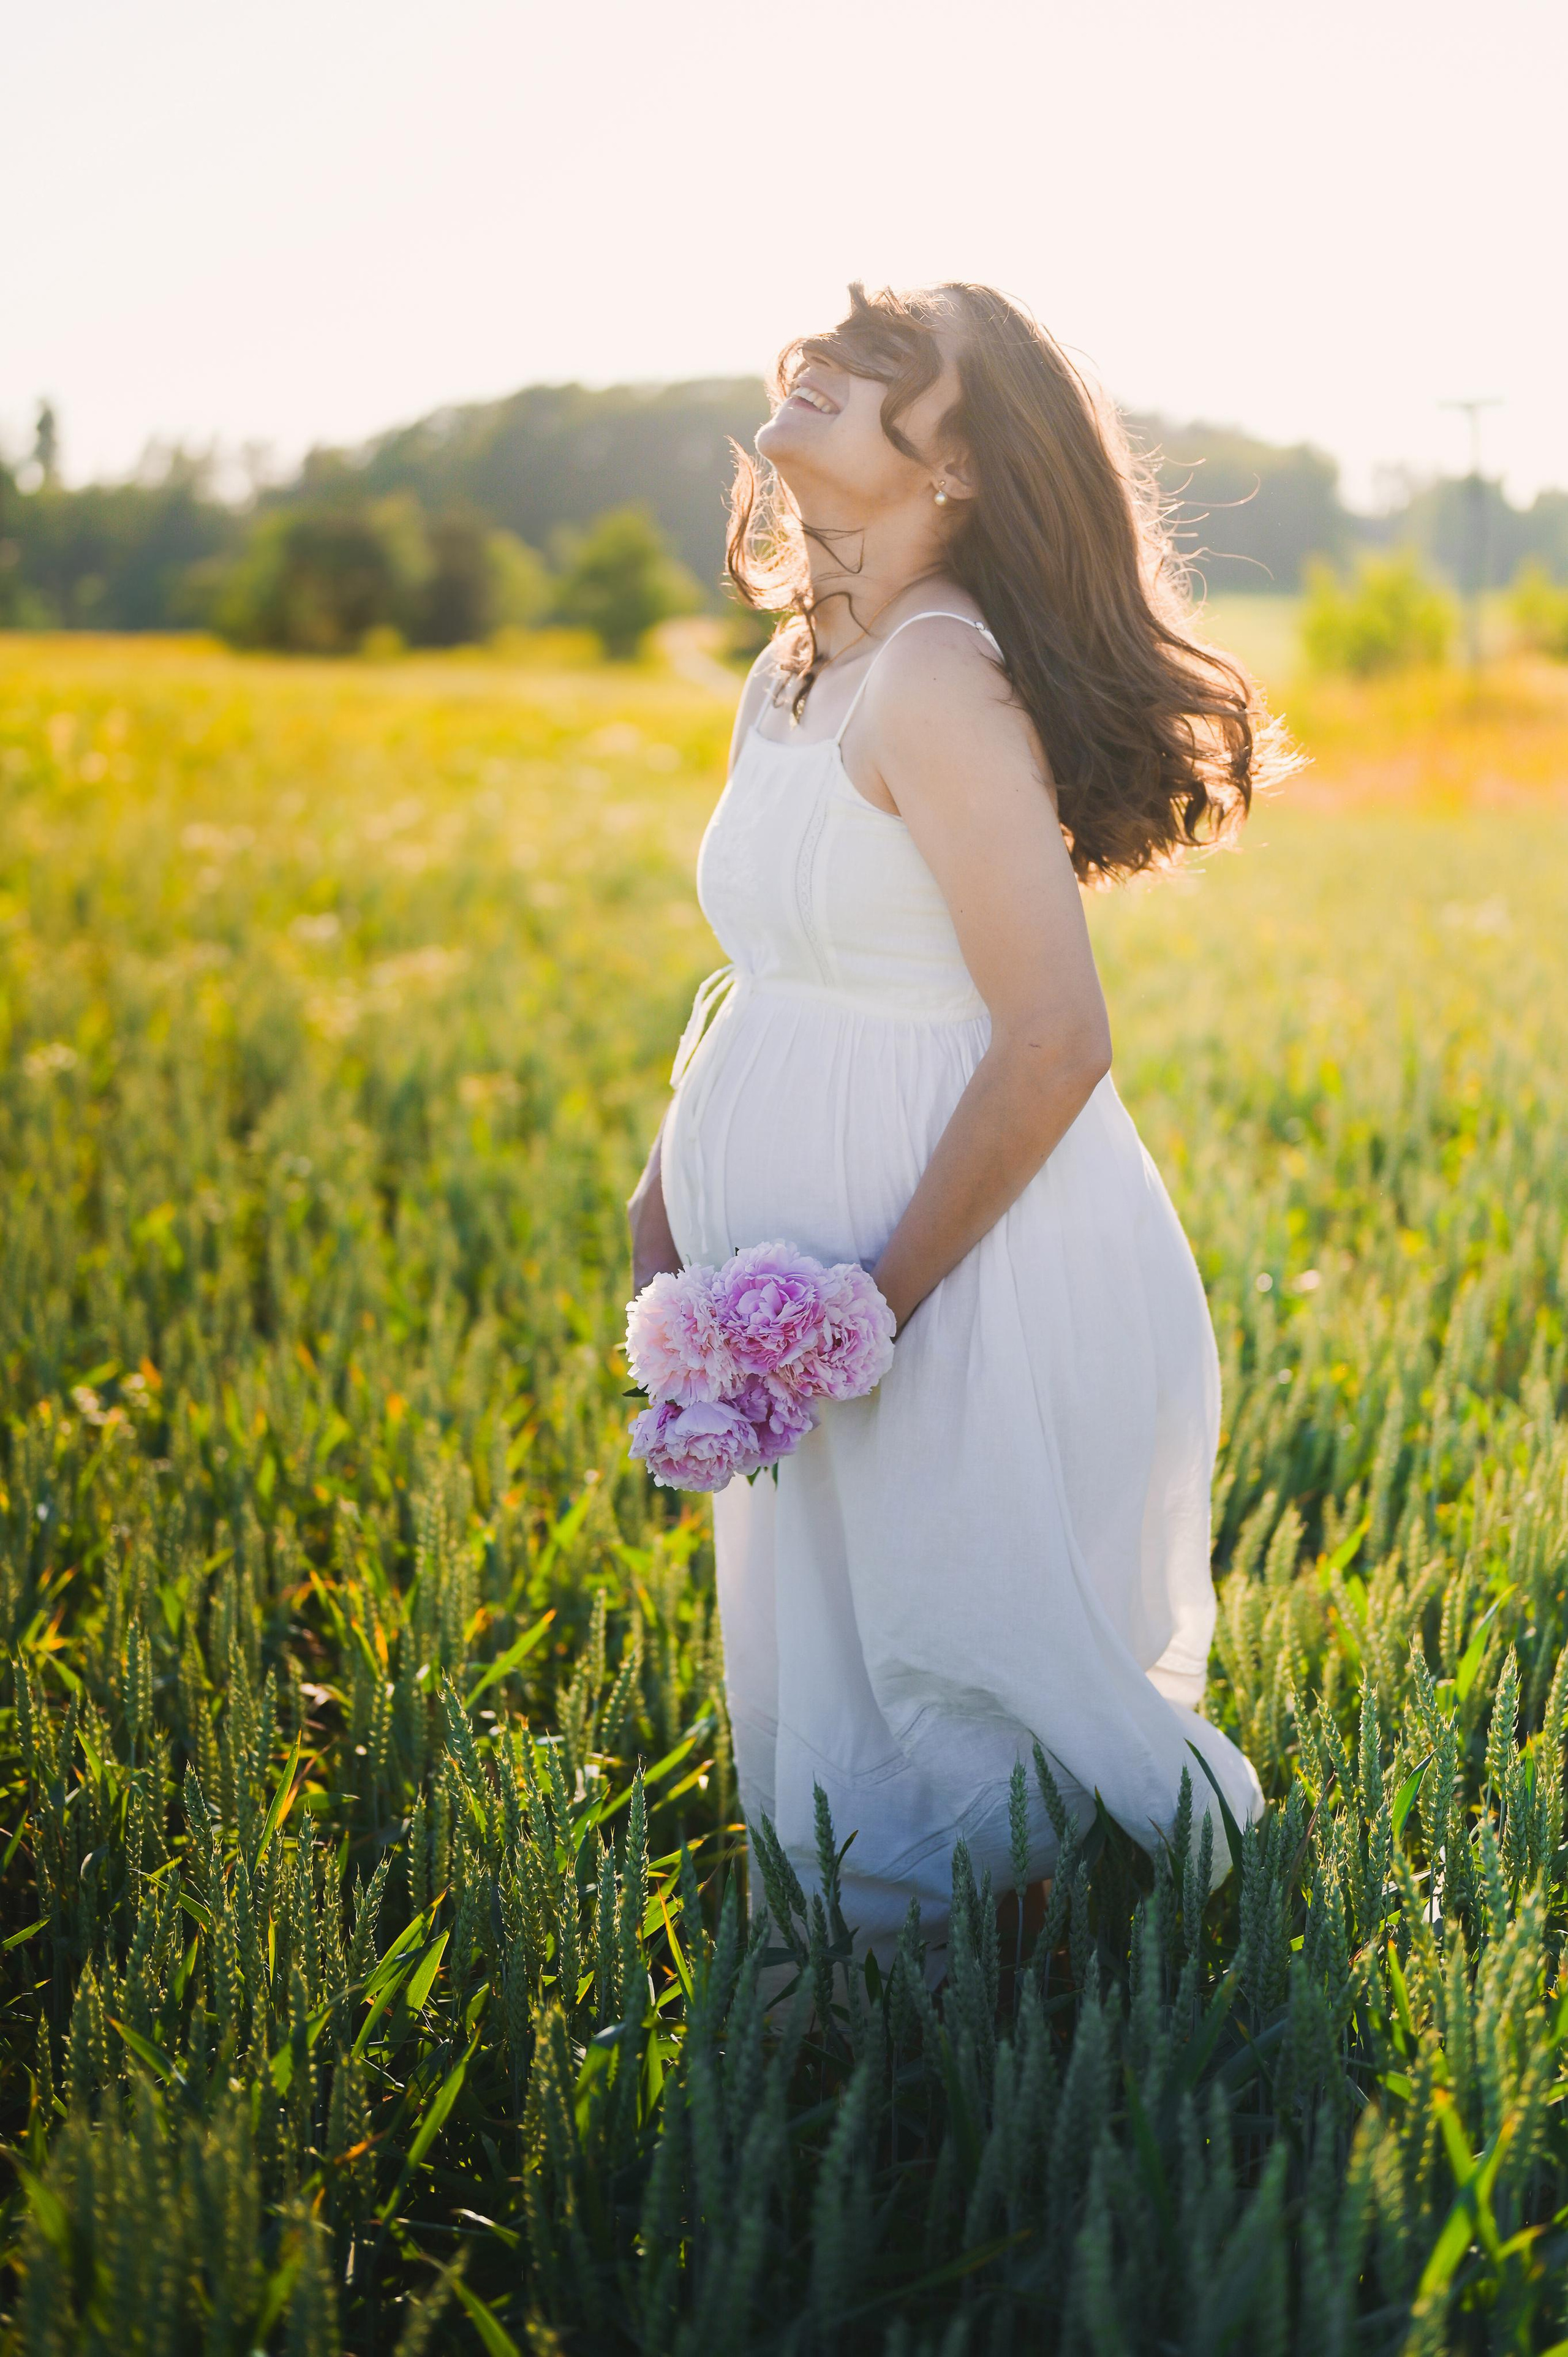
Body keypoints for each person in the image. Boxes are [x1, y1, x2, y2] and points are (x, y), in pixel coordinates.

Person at [627, 282, 1285, 1966]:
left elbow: (1056, 1038)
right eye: (828, 348)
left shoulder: (933, 675)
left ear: (960, 468)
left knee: (950, 1644)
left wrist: (866, 1309)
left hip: (957, 1262)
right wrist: (666, 1193)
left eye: (884, 368)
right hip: (793, 1277)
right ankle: (881, 1976)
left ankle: (983, 2002)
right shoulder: (798, 666)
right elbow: (767, 967)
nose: (823, 365)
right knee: (841, 1641)